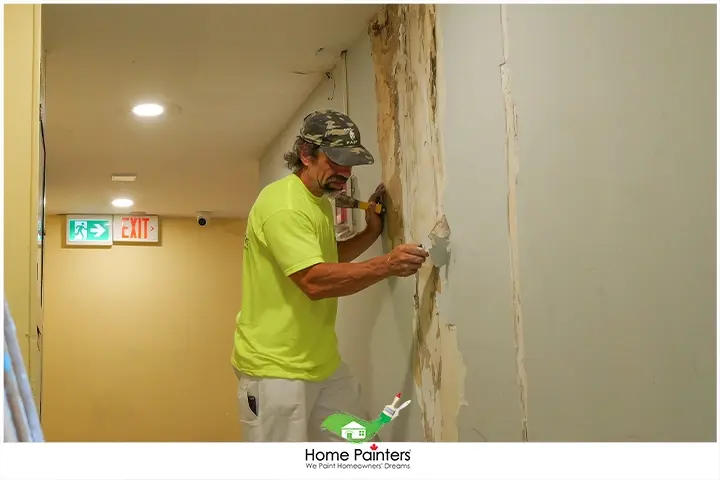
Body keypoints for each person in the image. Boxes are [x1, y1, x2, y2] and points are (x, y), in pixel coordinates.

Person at [230, 109, 429, 442]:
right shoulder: (284, 206)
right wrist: (388, 264)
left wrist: (370, 234)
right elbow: (314, 281)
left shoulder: (318, 200)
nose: (345, 172)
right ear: (306, 155)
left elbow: (323, 260)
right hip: (274, 372)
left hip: (321, 364)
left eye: (350, 163)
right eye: (336, 161)